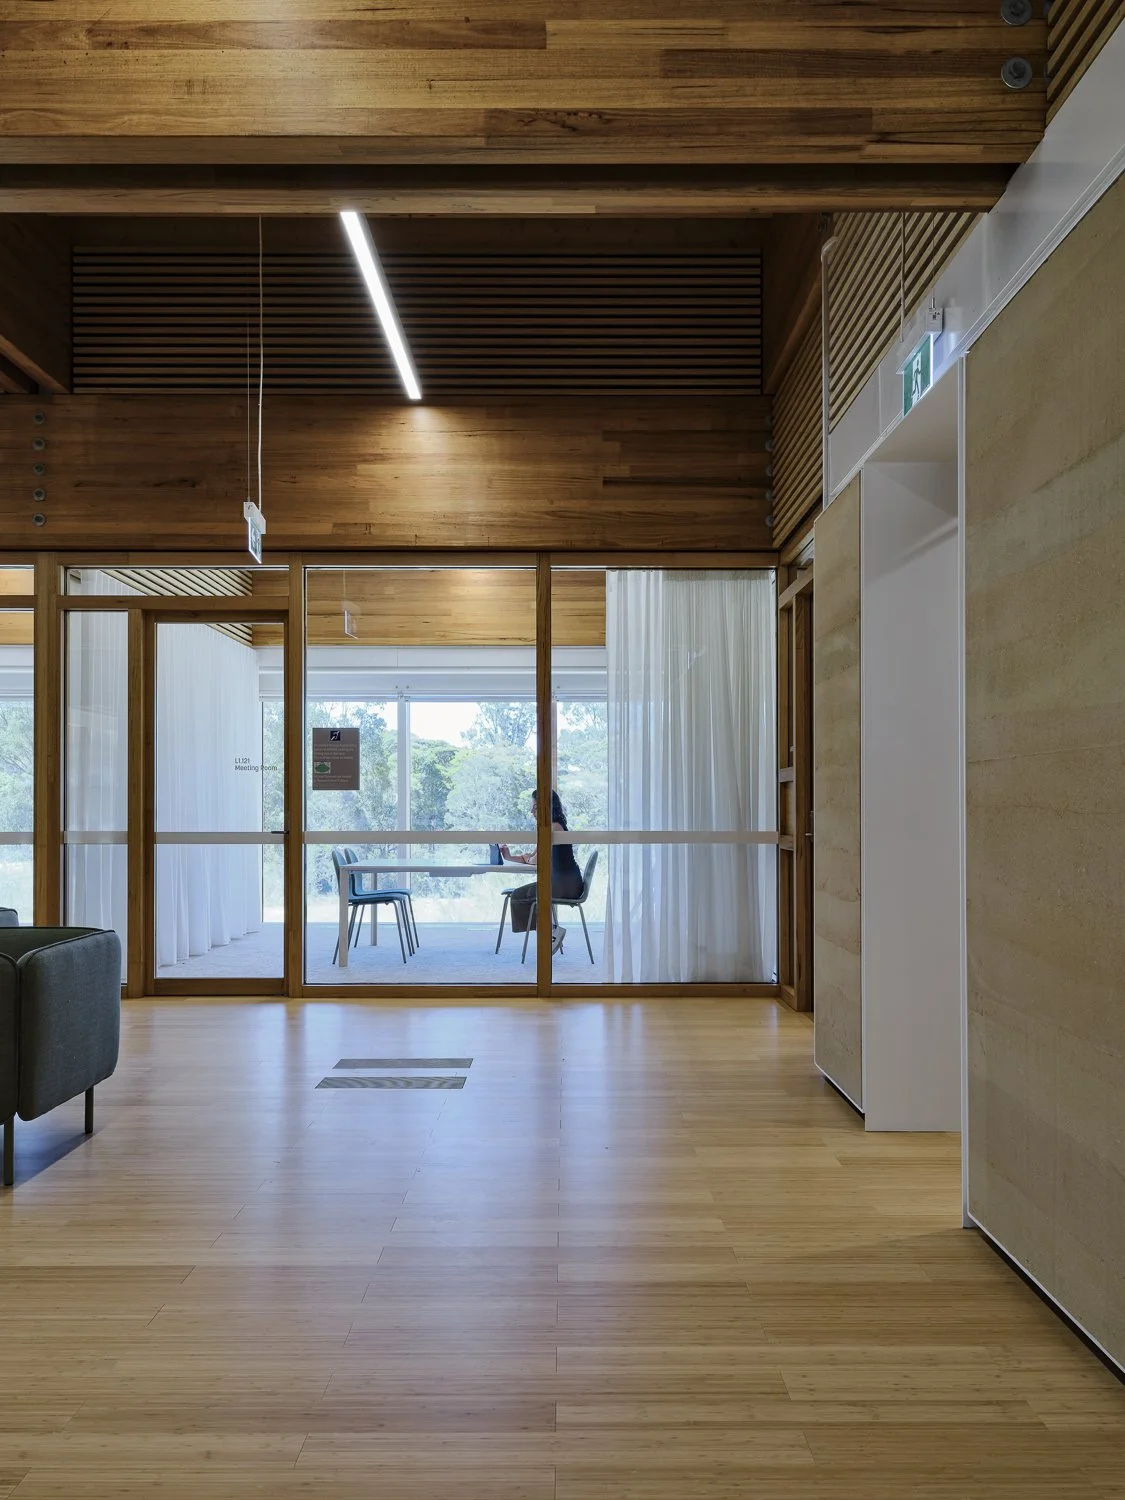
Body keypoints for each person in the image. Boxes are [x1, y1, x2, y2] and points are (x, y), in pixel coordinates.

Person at [500, 790, 582, 956]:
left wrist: (531, 858)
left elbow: (535, 859)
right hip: (559, 881)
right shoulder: (549, 827)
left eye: (536, 807)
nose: (532, 812)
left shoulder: (555, 828)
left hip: (567, 885)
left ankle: (552, 931)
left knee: (520, 895)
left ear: (547, 808)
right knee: (522, 894)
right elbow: (532, 857)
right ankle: (549, 932)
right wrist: (509, 856)